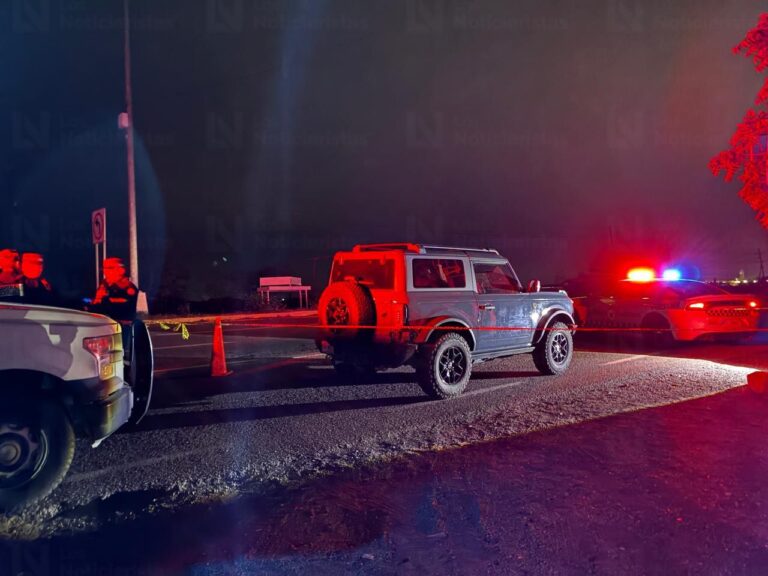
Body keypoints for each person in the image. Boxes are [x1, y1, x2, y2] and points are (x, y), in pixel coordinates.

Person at [92, 257, 138, 321]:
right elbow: (96, 302)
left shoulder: (127, 286)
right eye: (104, 268)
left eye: (109, 268)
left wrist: (106, 300)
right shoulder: (104, 285)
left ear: (121, 270)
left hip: (121, 323)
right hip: (104, 322)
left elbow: (127, 304)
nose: (105, 271)